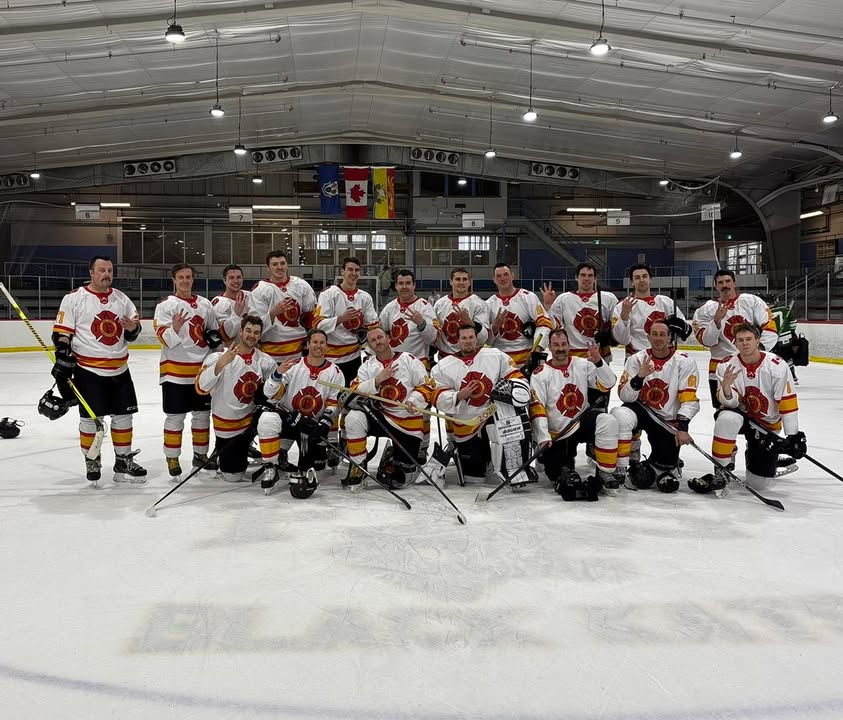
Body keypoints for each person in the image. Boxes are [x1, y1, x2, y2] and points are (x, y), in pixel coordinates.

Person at [51, 256, 146, 484]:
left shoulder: (121, 298)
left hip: (120, 369)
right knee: (90, 420)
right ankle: (92, 459)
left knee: (124, 417)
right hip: (88, 370)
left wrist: (133, 328)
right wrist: (62, 351)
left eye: (110, 270)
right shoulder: (74, 298)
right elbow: (62, 332)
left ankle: (123, 460)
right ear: (91, 273)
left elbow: (134, 331)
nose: (107, 274)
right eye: (101, 270)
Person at [688, 322, 804, 495]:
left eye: (749, 339)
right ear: (735, 343)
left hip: (766, 424)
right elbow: (730, 404)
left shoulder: (776, 365)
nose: (745, 343)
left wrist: (792, 435)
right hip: (742, 417)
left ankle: (763, 457)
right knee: (726, 418)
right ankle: (721, 470)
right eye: (740, 340)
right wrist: (726, 388)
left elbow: (787, 401)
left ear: (757, 341)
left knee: (758, 484)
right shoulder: (727, 365)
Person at [427, 324, 536, 486]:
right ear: (458, 341)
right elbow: (436, 395)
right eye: (464, 338)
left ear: (476, 338)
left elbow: (515, 375)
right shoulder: (444, 366)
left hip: (494, 414)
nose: (468, 341)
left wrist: (514, 388)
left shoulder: (494, 355)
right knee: (474, 478)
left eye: (471, 337)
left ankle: (513, 468)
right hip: (467, 424)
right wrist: (459, 395)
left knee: (509, 419)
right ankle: (481, 458)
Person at [611, 319, 700, 493]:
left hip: (666, 421)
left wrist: (683, 427)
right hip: (641, 411)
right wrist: (639, 377)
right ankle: (620, 467)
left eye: (662, 334)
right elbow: (624, 396)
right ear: (648, 337)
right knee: (620, 415)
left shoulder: (685, 361)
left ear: (669, 337)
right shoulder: (637, 359)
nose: (658, 338)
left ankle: (665, 464)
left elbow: (689, 398)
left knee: (663, 467)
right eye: (654, 334)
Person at [530, 329, 620, 498]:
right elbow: (537, 407)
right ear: (549, 347)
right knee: (559, 475)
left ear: (569, 345)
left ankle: (605, 472)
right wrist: (543, 437)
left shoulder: (582, 365)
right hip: (557, 433)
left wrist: (599, 362)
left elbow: (608, 383)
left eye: (563, 344)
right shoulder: (540, 374)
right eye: (556, 345)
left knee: (608, 421)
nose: (560, 348)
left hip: (579, 422)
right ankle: (543, 457)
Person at [256, 329, 344, 494]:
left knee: (317, 471)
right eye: (315, 342)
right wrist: (277, 374)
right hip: (289, 420)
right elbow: (268, 393)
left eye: (322, 342)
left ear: (327, 346)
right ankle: (271, 466)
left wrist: (325, 423)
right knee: (267, 418)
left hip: (312, 427)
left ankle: (293, 453)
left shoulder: (335, 372)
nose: (318, 345)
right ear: (307, 345)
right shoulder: (293, 366)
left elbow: (334, 403)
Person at [153, 263, 220, 480]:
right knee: (175, 418)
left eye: (188, 277)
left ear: (193, 279)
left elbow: (213, 333)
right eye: (180, 277)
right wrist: (175, 327)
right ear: (174, 280)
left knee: (202, 416)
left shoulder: (205, 304)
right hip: (174, 372)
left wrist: (214, 339)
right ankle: (172, 457)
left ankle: (200, 455)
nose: (185, 280)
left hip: (201, 373)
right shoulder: (166, 306)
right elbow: (165, 339)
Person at [195, 315, 278, 482]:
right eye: (248, 331)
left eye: (256, 332)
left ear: (260, 336)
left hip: (252, 421)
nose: (252, 335)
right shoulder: (219, 357)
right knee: (232, 476)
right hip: (228, 425)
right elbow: (200, 388)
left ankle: (274, 457)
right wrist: (220, 364)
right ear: (240, 332)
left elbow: (276, 393)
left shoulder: (265, 361)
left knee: (274, 419)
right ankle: (227, 449)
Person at [344, 327, 428, 488]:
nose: (377, 342)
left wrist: (415, 400)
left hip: (407, 422)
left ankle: (391, 456)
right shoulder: (367, 366)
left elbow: (427, 385)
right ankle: (358, 465)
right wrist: (376, 380)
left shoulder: (409, 359)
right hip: (380, 416)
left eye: (380, 337)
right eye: (373, 340)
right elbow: (353, 390)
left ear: (388, 338)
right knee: (354, 417)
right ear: (369, 346)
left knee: (400, 480)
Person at [692, 268, 778, 407]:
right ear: (715, 286)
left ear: (734, 283)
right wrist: (716, 321)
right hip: (720, 368)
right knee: (723, 412)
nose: (725, 285)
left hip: (752, 365)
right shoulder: (706, 310)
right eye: (720, 282)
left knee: (755, 408)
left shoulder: (751, 301)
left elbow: (770, 328)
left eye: (728, 281)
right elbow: (707, 341)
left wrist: (758, 351)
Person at [314, 256, 379, 385]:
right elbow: (318, 326)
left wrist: (371, 353)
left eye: (357, 270)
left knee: (351, 393)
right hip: (330, 358)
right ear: (342, 272)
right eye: (350, 269)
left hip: (354, 357)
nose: (354, 273)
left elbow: (374, 327)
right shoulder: (328, 294)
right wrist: (341, 318)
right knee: (331, 394)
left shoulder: (365, 297)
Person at [249, 250, 317, 363]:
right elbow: (255, 325)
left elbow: (311, 316)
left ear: (287, 265)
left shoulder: (301, 285)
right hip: (271, 354)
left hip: (299, 351)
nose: (279, 267)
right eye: (275, 264)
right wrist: (273, 313)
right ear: (268, 268)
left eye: (282, 263)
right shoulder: (259, 290)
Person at [611, 263, 691, 358]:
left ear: (650, 279)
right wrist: (624, 315)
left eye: (644, 276)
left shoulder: (666, 302)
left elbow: (685, 331)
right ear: (632, 282)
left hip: (667, 359)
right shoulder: (623, 306)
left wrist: (681, 328)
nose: (641, 280)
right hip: (637, 358)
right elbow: (622, 340)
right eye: (637, 277)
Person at [486, 262, 553, 373]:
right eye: (499, 276)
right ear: (494, 279)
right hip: (501, 364)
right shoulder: (488, 304)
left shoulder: (528, 297)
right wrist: (494, 327)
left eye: (506, 274)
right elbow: (485, 340)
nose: (503, 278)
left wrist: (537, 349)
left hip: (527, 361)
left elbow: (544, 324)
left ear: (512, 276)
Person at [378, 269, 439, 369]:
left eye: (408, 283)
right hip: (394, 365)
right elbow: (379, 334)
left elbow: (432, 339)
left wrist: (422, 324)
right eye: (401, 283)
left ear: (414, 285)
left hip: (417, 364)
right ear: (396, 286)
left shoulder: (425, 307)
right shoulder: (389, 308)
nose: (404, 287)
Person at [433, 267, 490, 359]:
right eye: (457, 279)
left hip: (471, 358)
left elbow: (483, 338)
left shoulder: (479, 304)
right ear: (451, 282)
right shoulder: (439, 304)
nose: (461, 282)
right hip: (444, 358)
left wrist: (470, 323)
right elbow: (434, 334)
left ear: (469, 282)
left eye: (464, 279)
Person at [212, 264, 251, 343]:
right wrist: (236, 314)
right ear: (224, 280)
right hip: (231, 348)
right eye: (231, 278)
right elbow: (223, 336)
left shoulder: (250, 296)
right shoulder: (219, 303)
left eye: (238, 277)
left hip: (252, 347)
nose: (236, 281)